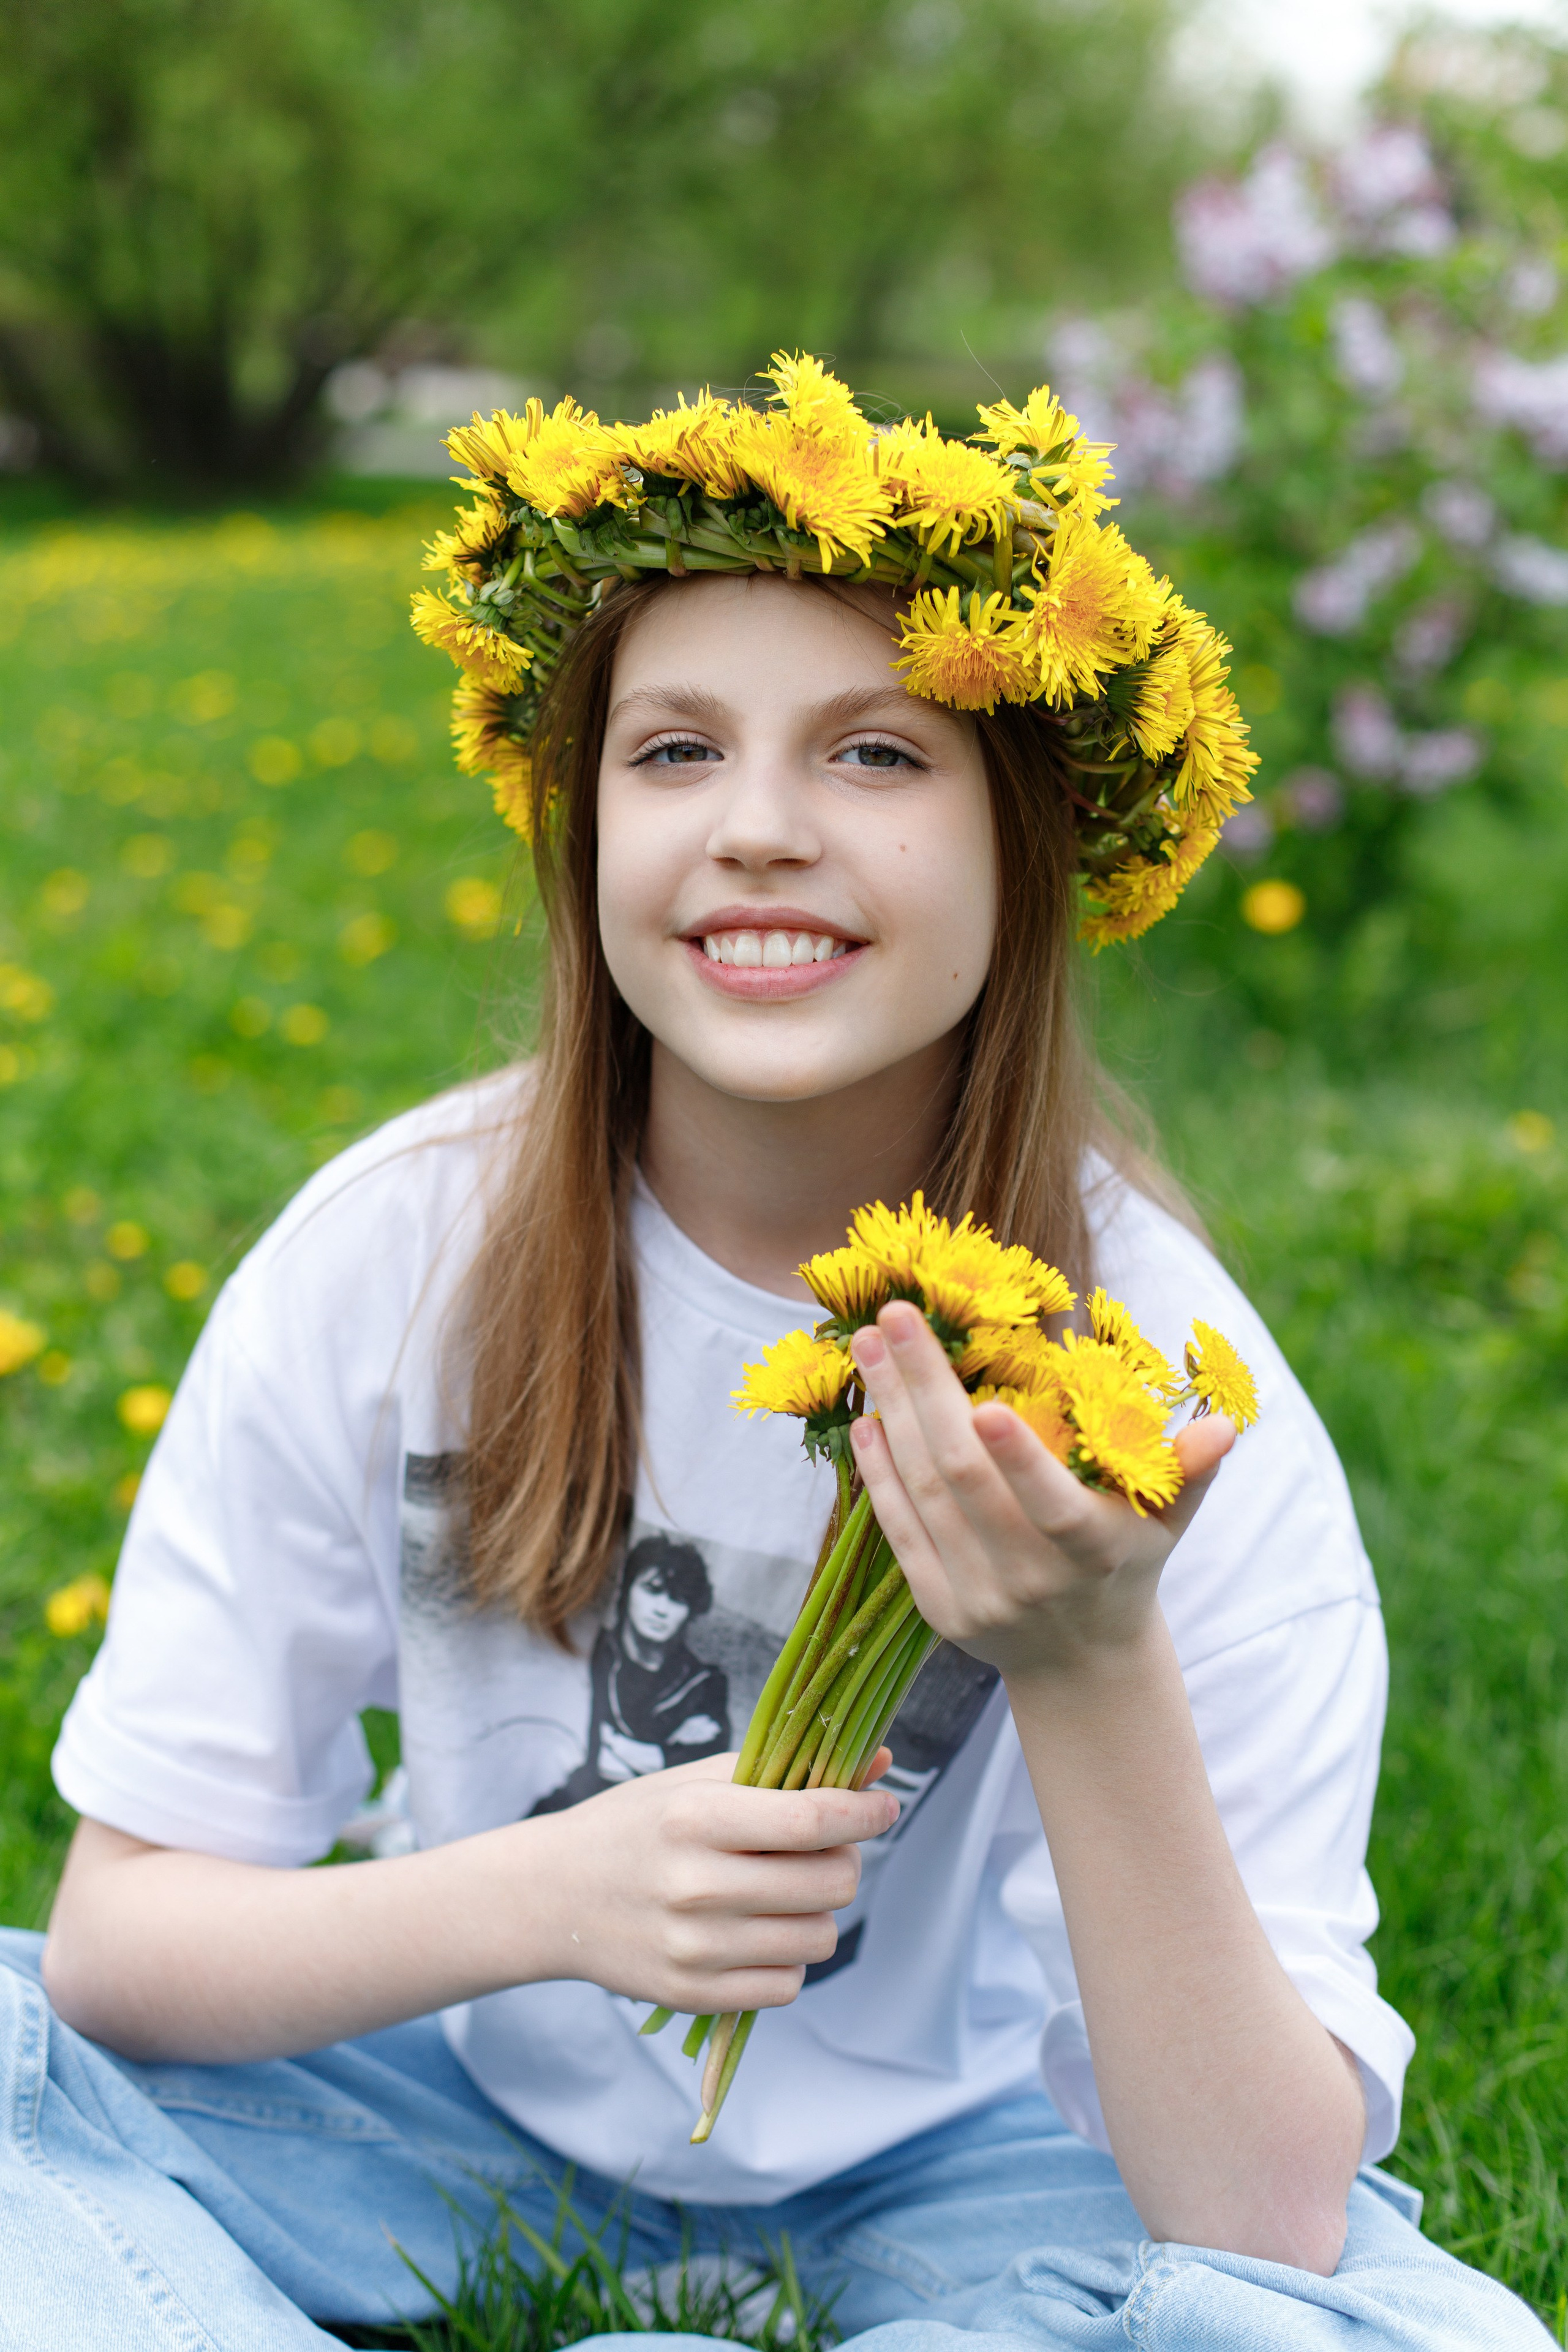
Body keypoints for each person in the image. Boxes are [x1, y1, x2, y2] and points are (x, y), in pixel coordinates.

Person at [0, 364, 1549, 2351]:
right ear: (582, 823)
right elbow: (123, 1942)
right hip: (445, 2113)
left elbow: (1259, 2209)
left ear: (1025, 837)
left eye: (876, 754)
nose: (755, 831)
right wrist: (553, 1900)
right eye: (674, 750)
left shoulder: (1164, 1387)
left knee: (1381, 2332)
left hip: (981, 2179)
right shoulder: (391, 1258)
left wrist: (1085, 1657)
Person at [531, 1534, 730, 1811]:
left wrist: (621, 1748)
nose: (661, 1610)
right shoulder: (600, 1649)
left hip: (654, 1818)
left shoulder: (705, 1683)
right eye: (653, 1590)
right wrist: (660, 1755)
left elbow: (707, 1773)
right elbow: (596, 1758)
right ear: (627, 1588)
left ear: (690, 1611)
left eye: (678, 1599)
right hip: (577, 1803)